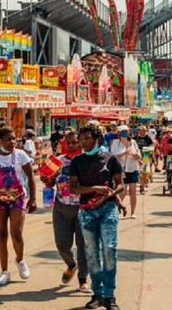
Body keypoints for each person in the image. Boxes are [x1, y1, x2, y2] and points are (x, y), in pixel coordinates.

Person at [70, 124, 125, 310]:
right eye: (81, 138)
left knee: (109, 250)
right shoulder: (77, 162)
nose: (83, 142)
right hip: (86, 211)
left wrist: (107, 196)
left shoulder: (110, 159)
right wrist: (94, 189)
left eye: (87, 138)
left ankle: (109, 295)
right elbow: (74, 188)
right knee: (92, 254)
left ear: (97, 139)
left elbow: (120, 185)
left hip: (107, 209)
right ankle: (97, 294)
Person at [0, 126, 37, 287]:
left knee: (16, 233)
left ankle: (20, 260)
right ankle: (4, 271)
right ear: (0, 141)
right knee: (1, 234)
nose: (12, 142)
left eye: (14, 138)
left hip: (18, 199)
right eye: (8, 139)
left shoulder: (21, 155)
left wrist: (33, 199)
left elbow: (31, 177)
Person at [46, 128, 91, 296]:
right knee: (61, 244)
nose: (71, 146)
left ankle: (83, 280)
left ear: (81, 142)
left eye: (75, 142)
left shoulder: (86, 161)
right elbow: (48, 181)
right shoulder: (57, 161)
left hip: (82, 208)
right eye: (69, 143)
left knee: (82, 246)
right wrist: (47, 179)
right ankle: (72, 265)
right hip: (61, 208)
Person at [108, 126, 140, 219]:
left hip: (133, 168)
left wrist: (137, 155)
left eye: (126, 131)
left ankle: (133, 212)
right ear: (119, 133)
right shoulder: (115, 143)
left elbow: (138, 154)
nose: (125, 133)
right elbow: (113, 157)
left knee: (133, 191)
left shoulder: (133, 142)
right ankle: (116, 209)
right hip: (121, 169)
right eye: (123, 131)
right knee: (123, 191)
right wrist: (123, 153)